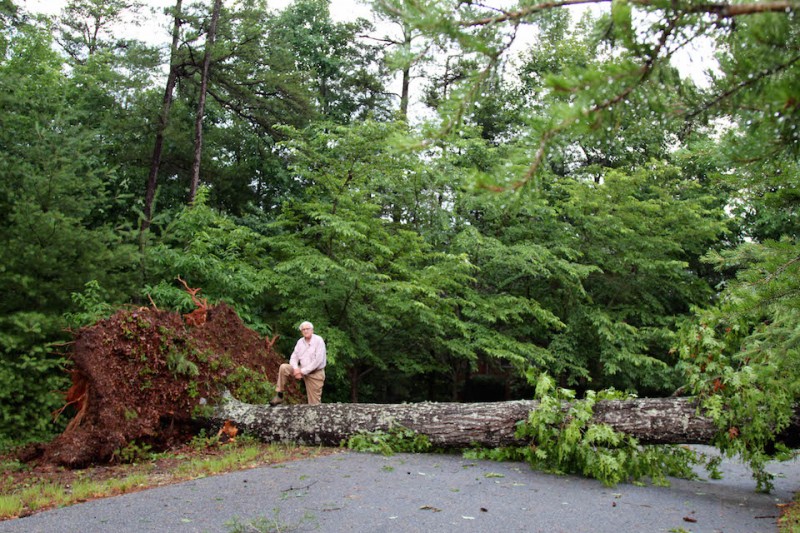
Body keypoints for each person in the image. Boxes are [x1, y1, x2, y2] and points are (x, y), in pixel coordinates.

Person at [269, 321, 326, 406]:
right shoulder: (300, 342)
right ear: (301, 332)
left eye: (307, 329)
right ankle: (279, 395)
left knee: (314, 404)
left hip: (315, 374)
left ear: (312, 330)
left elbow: (318, 361)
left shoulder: (319, 340)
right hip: (300, 369)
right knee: (284, 367)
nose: (306, 331)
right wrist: (296, 369)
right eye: (303, 330)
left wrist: (301, 371)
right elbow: (294, 357)